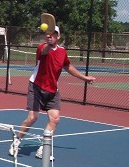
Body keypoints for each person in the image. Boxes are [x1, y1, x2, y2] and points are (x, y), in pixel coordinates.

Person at [9, 26, 96, 159]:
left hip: (53, 90)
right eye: (48, 34)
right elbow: (45, 50)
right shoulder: (42, 48)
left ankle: (43, 148)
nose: (50, 36)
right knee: (33, 118)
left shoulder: (62, 52)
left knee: (55, 119)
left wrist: (84, 78)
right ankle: (17, 141)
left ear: (59, 36)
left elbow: (68, 66)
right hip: (36, 86)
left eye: (54, 34)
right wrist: (49, 44)